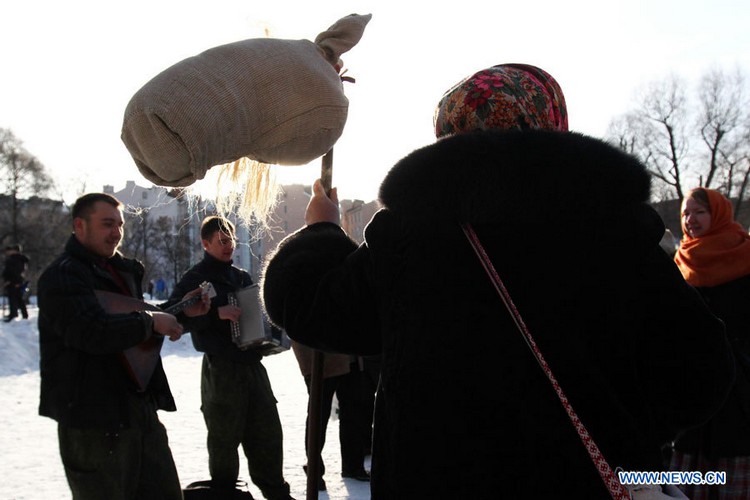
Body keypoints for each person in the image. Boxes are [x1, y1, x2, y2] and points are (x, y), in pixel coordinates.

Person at [261, 64, 736, 498]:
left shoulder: (412, 235)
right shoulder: (614, 231)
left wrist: (320, 230)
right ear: (547, 122)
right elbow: (701, 371)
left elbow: (310, 308)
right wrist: (625, 425)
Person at [37, 192, 210, 500]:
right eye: (106, 224)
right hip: (92, 422)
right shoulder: (62, 276)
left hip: (137, 413)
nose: (116, 232)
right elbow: (90, 331)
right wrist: (149, 322)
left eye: (119, 224)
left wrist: (183, 311)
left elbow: (133, 317)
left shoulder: (117, 270)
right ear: (79, 225)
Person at [169, 215, 294, 500]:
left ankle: (277, 493)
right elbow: (174, 314)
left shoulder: (241, 277)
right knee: (224, 438)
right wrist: (216, 314)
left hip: (252, 365)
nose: (229, 246)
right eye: (222, 241)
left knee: (267, 432)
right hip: (221, 368)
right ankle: (224, 495)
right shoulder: (195, 278)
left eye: (232, 240)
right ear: (206, 243)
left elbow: (257, 313)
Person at [671, 187, 750, 498]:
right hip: (694, 387)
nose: (691, 219)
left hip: (740, 390)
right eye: (685, 213)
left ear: (717, 213)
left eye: (699, 211)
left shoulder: (743, 254)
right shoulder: (681, 261)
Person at [291, 341, 371, 491]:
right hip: (319, 354)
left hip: (349, 352)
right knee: (319, 415)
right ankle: (315, 470)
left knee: (354, 412)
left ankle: (353, 466)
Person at [3, 244, 30, 322]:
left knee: (14, 299)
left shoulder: (15, 260)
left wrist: (10, 281)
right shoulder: (19, 259)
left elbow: (14, 271)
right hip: (17, 281)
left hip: (14, 281)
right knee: (19, 299)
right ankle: (22, 314)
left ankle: (14, 314)